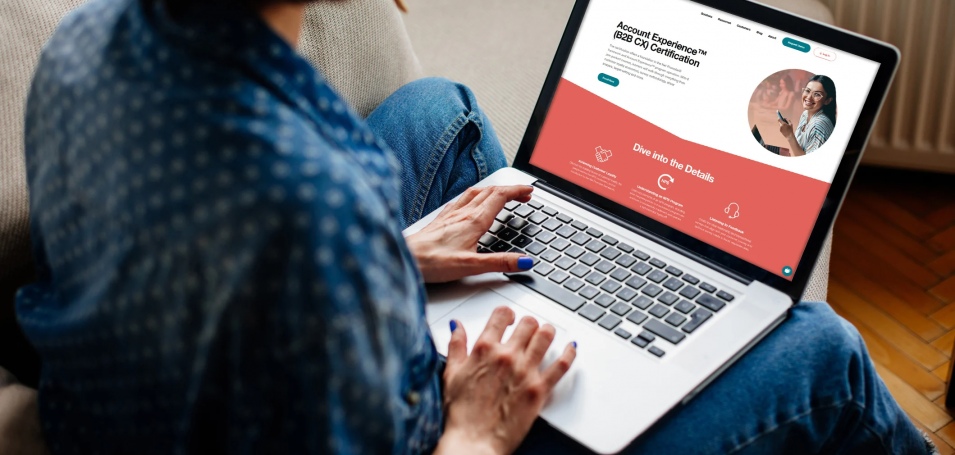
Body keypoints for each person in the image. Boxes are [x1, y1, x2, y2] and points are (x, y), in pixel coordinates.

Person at [15, 0, 935, 454]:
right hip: (408, 426)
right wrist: (477, 425)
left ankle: (583, 282)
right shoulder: (312, 207)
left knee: (433, 110)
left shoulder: (88, 41)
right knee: (822, 349)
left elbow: (192, 265)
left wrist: (389, 263)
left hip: (149, 392)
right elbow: (291, 234)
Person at [778, 75, 837, 156]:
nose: (809, 97)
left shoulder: (818, 125)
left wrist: (789, 135)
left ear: (827, 100)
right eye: (807, 91)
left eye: (817, 94)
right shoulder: (805, 114)